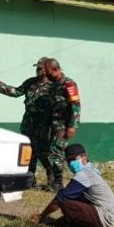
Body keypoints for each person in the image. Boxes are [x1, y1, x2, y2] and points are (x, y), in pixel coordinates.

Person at [0, 58, 53, 186]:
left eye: (41, 68)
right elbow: (16, 92)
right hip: (28, 124)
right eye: (37, 68)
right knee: (28, 153)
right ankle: (30, 182)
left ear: (47, 69)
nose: (38, 70)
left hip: (44, 126)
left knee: (45, 154)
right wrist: (0, 85)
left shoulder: (54, 86)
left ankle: (53, 182)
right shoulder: (30, 82)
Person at [36, 143, 114, 227]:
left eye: (73, 159)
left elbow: (61, 198)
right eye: (68, 161)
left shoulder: (85, 174)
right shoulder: (91, 170)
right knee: (72, 200)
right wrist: (53, 225)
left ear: (84, 159)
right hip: (107, 216)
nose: (71, 163)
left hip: (105, 218)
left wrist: (41, 216)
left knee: (65, 202)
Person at [45, 58, 81, 192]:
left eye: (48, 72)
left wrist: (72, 125)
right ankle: (55, 181)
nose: (46, 75)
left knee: (56, 151)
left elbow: (75, 105)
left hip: (64, 124)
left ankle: (58, 183)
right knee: (54, 151)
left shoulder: (69, 84)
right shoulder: (54, 84)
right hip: (54, 123)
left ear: (56, 69)